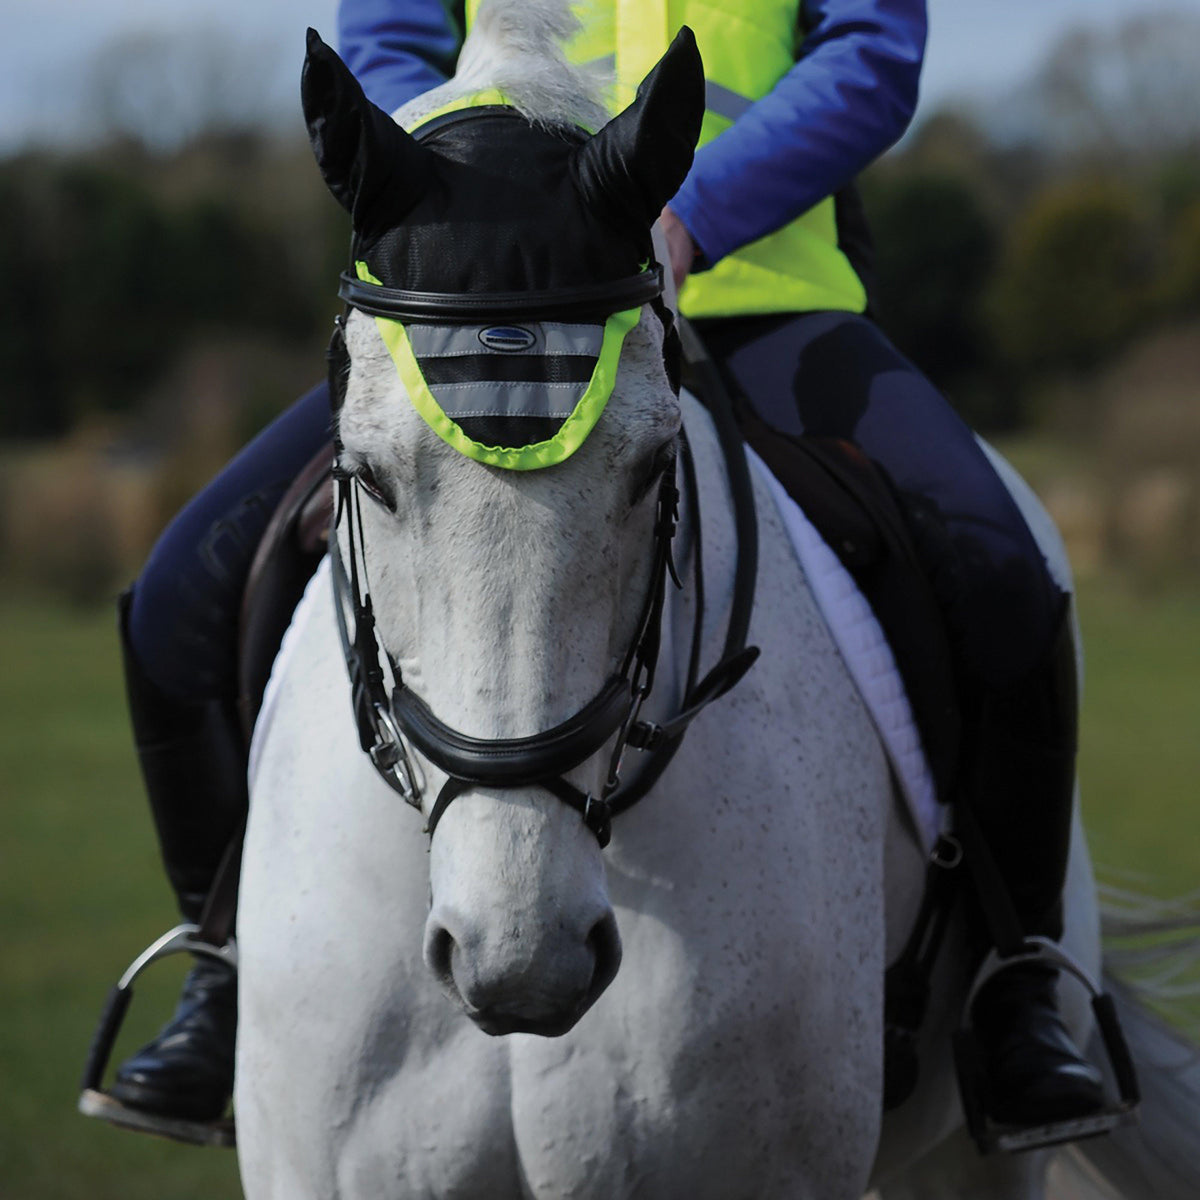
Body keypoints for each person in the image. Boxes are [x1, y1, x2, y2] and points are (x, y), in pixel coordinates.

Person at [105, 0, 1105, 1138]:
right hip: (500, 292)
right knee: (186, 588)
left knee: (998, 566)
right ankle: (219, 969)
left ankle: (1018, 985)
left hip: (760, 297)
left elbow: (870, 55)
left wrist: (685, 211)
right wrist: (471, 194)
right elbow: (386, 38)